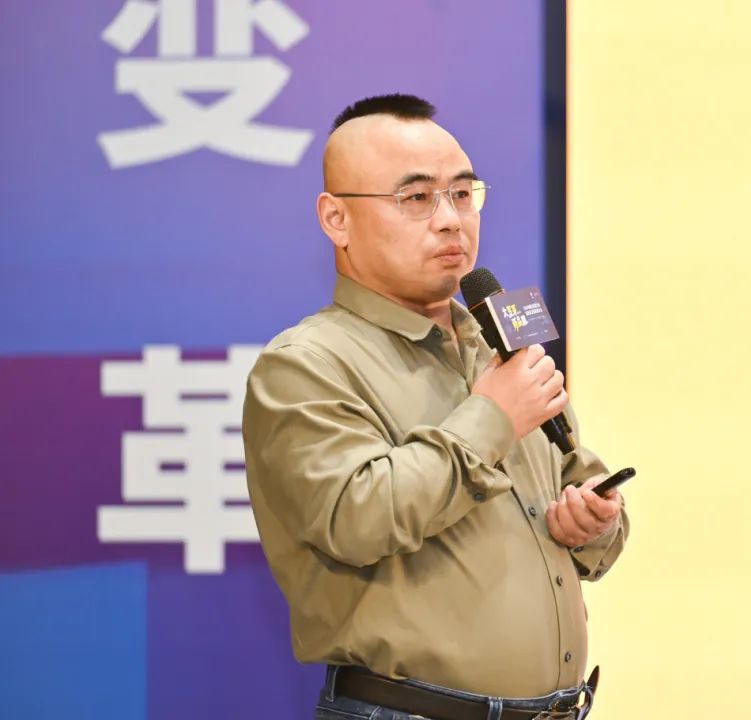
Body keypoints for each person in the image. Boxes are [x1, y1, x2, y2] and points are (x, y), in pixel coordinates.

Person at [242, 94, 629, 720]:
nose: (451, 220)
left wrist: (593, 522)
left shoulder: (496, 342)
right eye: (417, 197)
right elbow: (356, 519)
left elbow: (573, 480)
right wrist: (492, 418)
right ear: (336, 218)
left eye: (463, 194)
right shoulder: (305, 364)